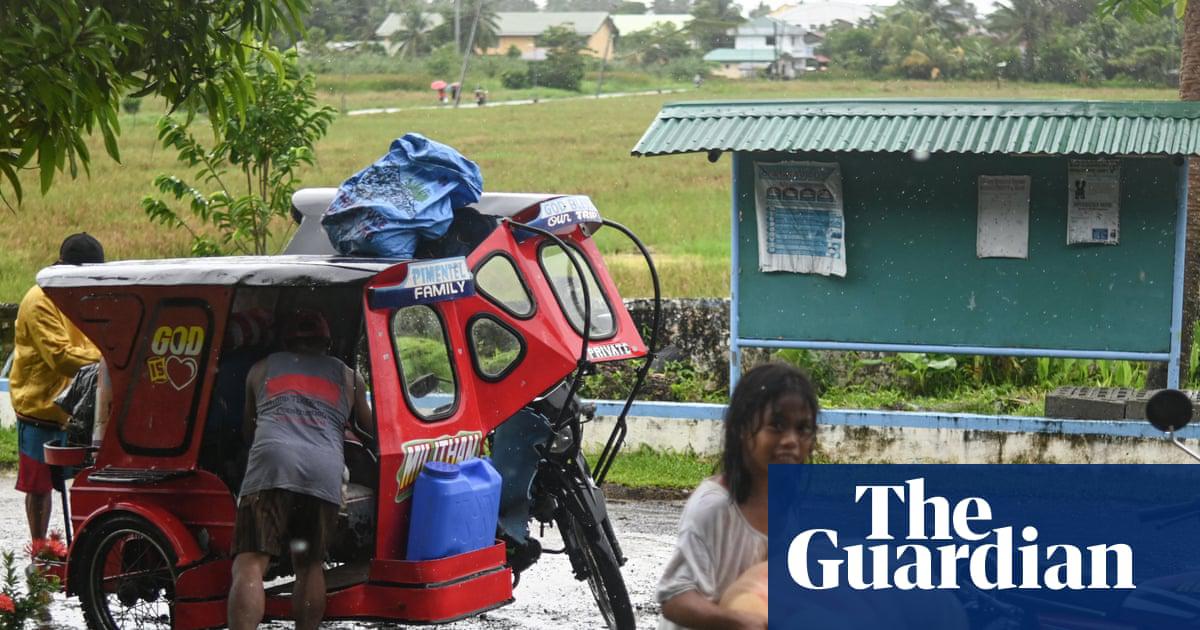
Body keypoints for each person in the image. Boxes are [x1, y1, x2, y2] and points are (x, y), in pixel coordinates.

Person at [227, 309, 373, 630]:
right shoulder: (349, 377)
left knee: (251, 563)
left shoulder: (261, 369)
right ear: (327, 342)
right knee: (309, 565)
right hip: (323, 471)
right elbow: (371, 428)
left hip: (272, 466)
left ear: (285, 340)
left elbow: (248, 433)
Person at [656, 362, 818, 630]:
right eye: (777, 425)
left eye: (802, 429)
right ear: (742, 429)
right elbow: (674, 597)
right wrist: (737, 621)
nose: (791, 440)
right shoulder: (713, 507)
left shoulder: (786, 504)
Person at [10, 233, 104, 548]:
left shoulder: (86, 294)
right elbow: (61, 358)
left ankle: (86, 547)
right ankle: (39, 550)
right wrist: (112, 360)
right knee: (39, 488)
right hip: (41, 407)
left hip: (80, 407)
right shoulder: (39, 300)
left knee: (87, 481)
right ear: (64, 269)